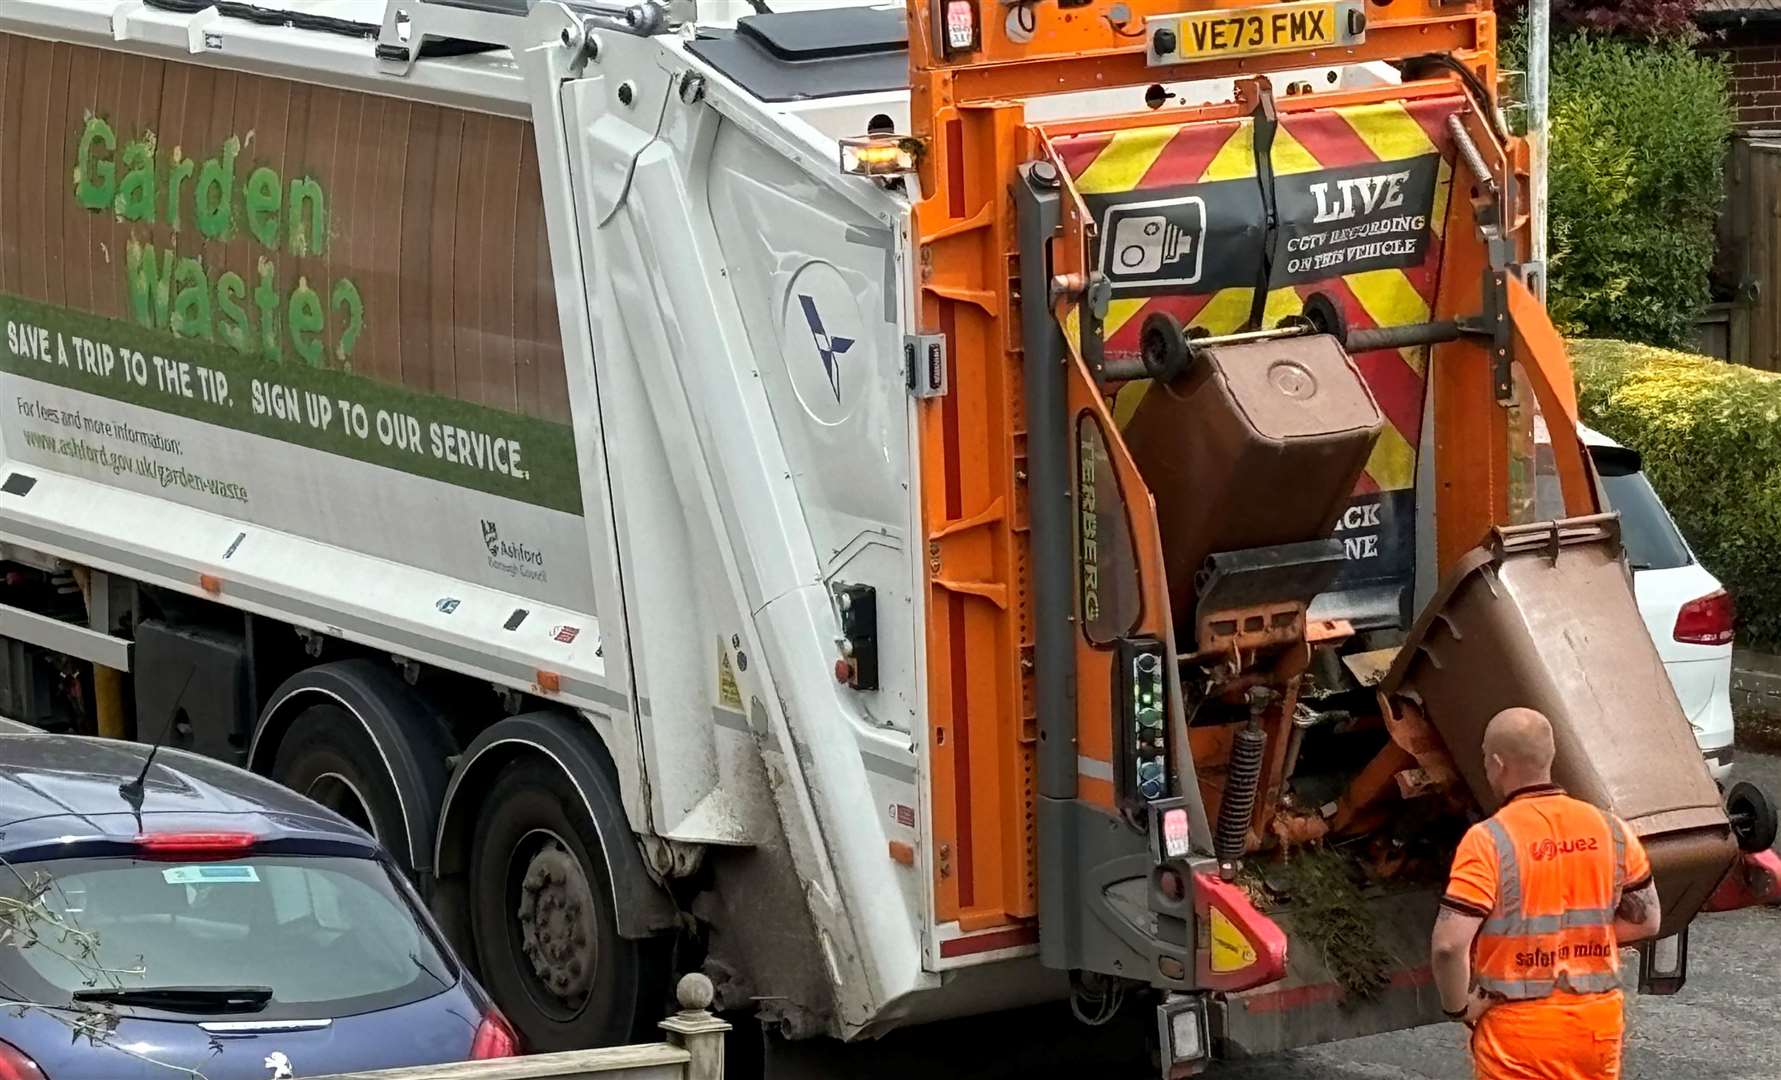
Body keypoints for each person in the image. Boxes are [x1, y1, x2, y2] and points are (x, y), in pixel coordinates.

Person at [1430, 707, 1662, 1080]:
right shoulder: (1610, 828)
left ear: (1497, 764)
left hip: (1520, 1037)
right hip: (1596, 1029)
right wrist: (1572, 943)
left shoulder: (1489, 839)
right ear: (1549, 757)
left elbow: (1448, 946)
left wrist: (1459, 1008)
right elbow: (1648, 919)